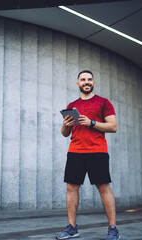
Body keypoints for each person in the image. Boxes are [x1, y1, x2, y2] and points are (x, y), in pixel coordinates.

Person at [56, 70, 119, 240]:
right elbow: (64, 133)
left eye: (89, 79)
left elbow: (113, 126)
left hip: (97, 150)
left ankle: (113, 228)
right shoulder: (72, 105)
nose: (86, 82)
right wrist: (65, 125)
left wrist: (91, 123)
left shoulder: (103, 102)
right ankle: (72, 227)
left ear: (94, 83)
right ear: (78, 83)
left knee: (103, 187)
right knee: (71, 188)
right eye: (83, 80)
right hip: (75, 151)